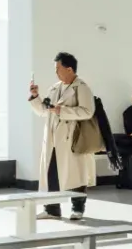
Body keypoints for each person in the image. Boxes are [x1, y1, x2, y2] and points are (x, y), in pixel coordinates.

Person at [29, 52, 94, 220]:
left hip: (71, 138)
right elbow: (44, 112)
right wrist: (36, 97)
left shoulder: (82, 87)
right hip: (52, 139)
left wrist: (61, 111)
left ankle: (77, 208)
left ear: (69, 69)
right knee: (51, 173)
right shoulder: (55, 87)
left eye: (58, 68)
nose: (56, 72)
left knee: (76, 175)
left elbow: (88, 112)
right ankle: (51, 209)